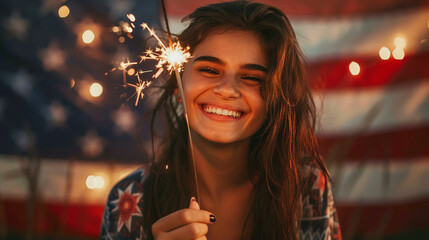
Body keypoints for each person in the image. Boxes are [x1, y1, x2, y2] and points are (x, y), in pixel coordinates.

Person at [100, 1, 342, 239]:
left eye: (251, 77)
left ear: (274, 100)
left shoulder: (305, 188)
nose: (227, 90)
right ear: (178, 86)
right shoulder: (131, 198)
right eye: (210, 70)